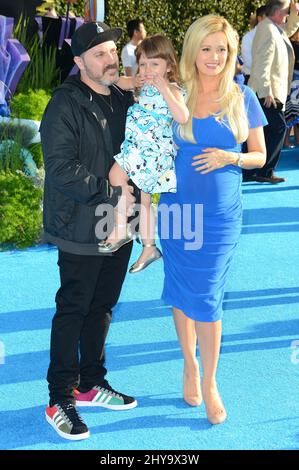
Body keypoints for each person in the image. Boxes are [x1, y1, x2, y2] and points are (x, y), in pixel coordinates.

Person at [158, 14, 267, 425]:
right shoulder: (176, 93)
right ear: (193, 50)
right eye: (207, 47)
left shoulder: (242, 97)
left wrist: (230, 156)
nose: (215, 56)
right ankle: (189, 364)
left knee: (207, 295)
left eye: (222, 49)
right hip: (176, 209)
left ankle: (210, 382)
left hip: (220, 216)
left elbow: (259, 154)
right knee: (181, 289)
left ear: (231, 53)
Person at [40, 21, 138, 441]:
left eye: (113, 50)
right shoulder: (63, 104)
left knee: (102, 306)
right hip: (80, 225)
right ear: (79, 62)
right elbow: (62, 172)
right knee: (74, 308)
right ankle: (59, 397)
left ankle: (89, 382)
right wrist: (113, 191)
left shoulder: (119, 98)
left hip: (118, 223)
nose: (111, 57)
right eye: (99, 53)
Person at [98, 35, 189, 274]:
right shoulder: (140, 84)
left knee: (117, 176)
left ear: (169, 65)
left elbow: (182, 117)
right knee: (141, 199)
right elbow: (116, 81)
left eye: (155, 64)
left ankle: (122, 226)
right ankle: (149, 246)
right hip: (137, 148)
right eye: (143, 63)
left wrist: (164, 88)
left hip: (153, 152)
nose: (148, 70)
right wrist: (134, 78)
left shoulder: (172, 89)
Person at [244, 0, 299, 183]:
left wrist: (293, 13)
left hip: (269, 91)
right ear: (276, 13)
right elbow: (262, 63)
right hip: (265, 92)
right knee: (278, 128)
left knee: (267, 131)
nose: (285, 17)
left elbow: (290, 30)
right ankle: (263, 171)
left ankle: (256, 171)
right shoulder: (267, 30)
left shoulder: (273, 28)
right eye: (285, 13)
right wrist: (266, 91)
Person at [241, 5, 267, 84]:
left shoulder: (274, 35)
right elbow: (248, 62)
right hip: (252, 81)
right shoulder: (248, 37)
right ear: (260, 18)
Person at [284, 27, 299, 147]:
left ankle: (292, 139)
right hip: (294, 82)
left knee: (293, 112)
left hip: (292, 81)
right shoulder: (292, 44)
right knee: (292, 112)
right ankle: (286, 140)